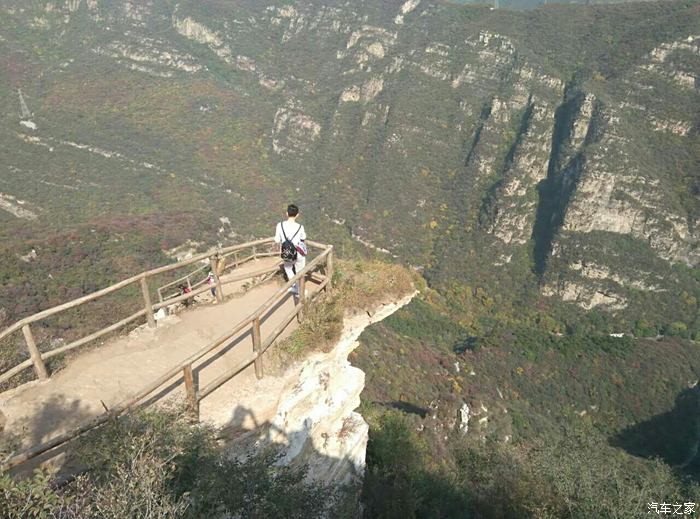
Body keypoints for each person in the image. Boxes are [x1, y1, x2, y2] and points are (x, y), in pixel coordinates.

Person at [274, 204, 307, 296]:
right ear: (297, 215)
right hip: (298, 253)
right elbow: (303, 237)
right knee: (300, 271)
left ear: (287, 213)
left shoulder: (279, 225)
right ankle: (301, 290)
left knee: (288, 268)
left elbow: (276, 240)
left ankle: (295, 287)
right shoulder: (300, 227)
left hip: (287, 252)